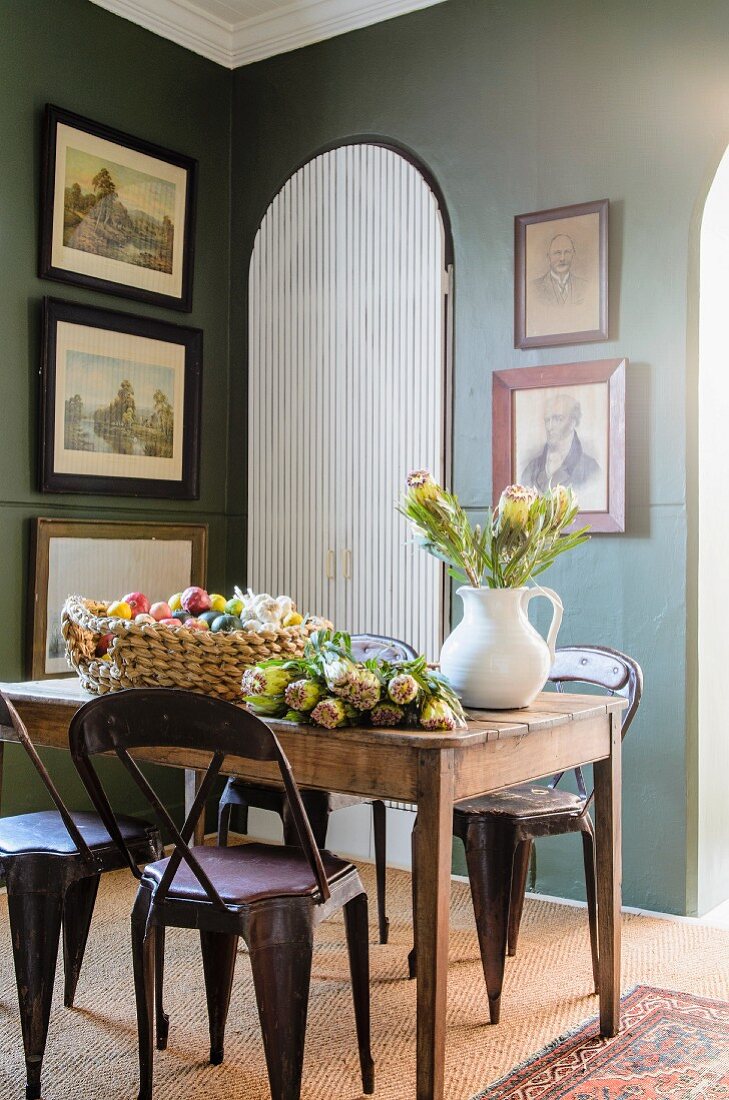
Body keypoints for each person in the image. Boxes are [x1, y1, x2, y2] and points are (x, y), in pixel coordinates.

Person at [520, 393, 600, 493]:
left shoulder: (590, 469)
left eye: (558, 419)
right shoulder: (530, 470)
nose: (550, 427)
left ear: (572, 423)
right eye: (547, 420)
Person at [530, 233, 587, 307]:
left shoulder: (585, 286)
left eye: (567, 252)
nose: (562, 258)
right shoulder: (533, 288)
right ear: (548, 257)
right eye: (557, 253)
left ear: (573, 254)